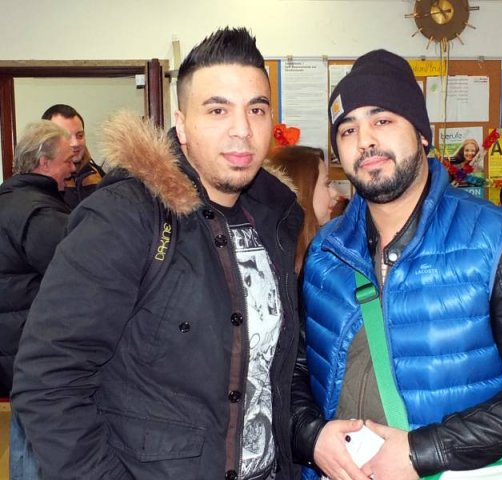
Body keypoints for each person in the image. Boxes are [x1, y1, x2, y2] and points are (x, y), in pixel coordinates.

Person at [12, 28, 303, 480]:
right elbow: (49, 379)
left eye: (256, 109)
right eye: (218, 109)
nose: (242, 129)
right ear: (181, 124)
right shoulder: (126, 215)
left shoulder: (277, 216)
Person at [290, 49, 502, 480]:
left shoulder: (493, 238)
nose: (365, 140)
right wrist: (312, 436)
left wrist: (422, 451)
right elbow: (294, 372)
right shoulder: (325, 251)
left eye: (382, 120)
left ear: (422, 135)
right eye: (348, 130)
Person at [0, 120, 74, 478]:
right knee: (38, 442)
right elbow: (77, 276)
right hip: (33, 348)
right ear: (44, 163)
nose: (73, 169)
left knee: (25, 433)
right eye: (67, 161)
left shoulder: (8, 201)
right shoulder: (40, 214)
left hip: (12, 346)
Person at [267, 145, 338, 272]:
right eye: (326, 184)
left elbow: (361, 281)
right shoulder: (274, 259)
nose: (335, 193)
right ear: (304, 188)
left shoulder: (331, 247)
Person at [42, 103, 105, 208]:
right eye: (66, 136)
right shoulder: (39, 182)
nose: (75, 143)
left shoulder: (98, 175)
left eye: (80, 135)